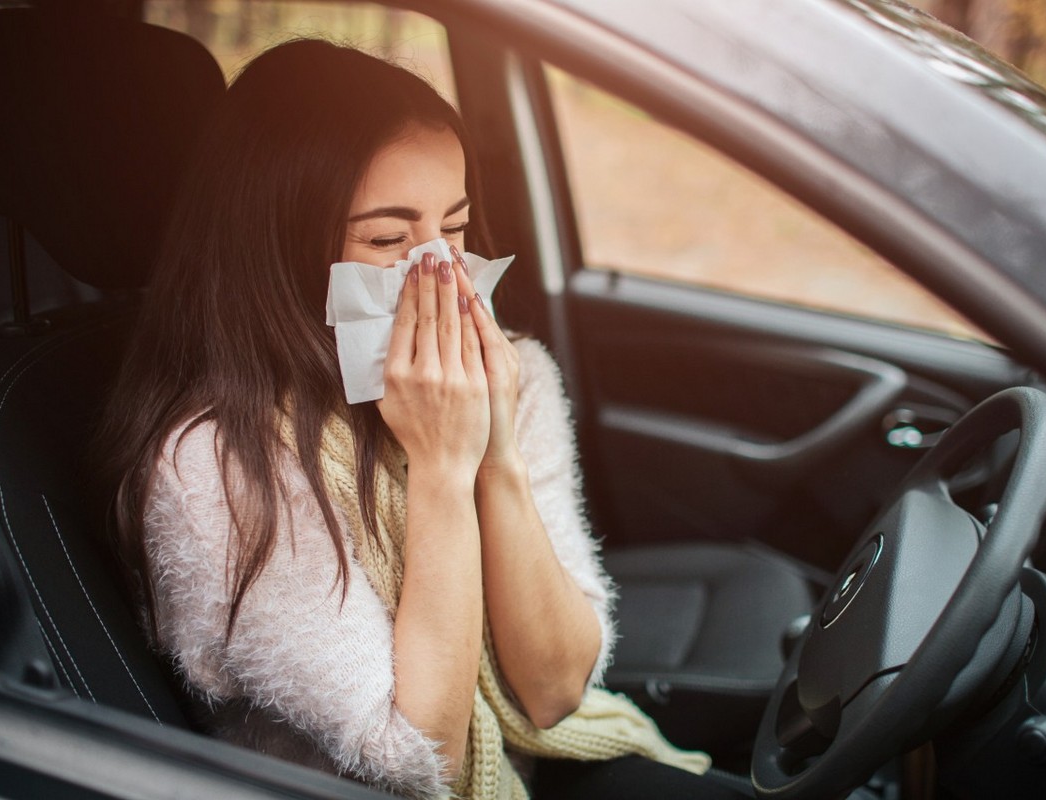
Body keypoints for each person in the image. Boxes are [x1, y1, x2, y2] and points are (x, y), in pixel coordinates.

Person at [100, 39, 753, 799]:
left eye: (456, 226)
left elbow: (554, 688)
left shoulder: (513, 374)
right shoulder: (217, 465)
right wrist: (444, 469)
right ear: (277, 251)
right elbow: (422, 762)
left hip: (530, 762)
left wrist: (494, 450)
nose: (439, 271)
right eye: (386, 239)